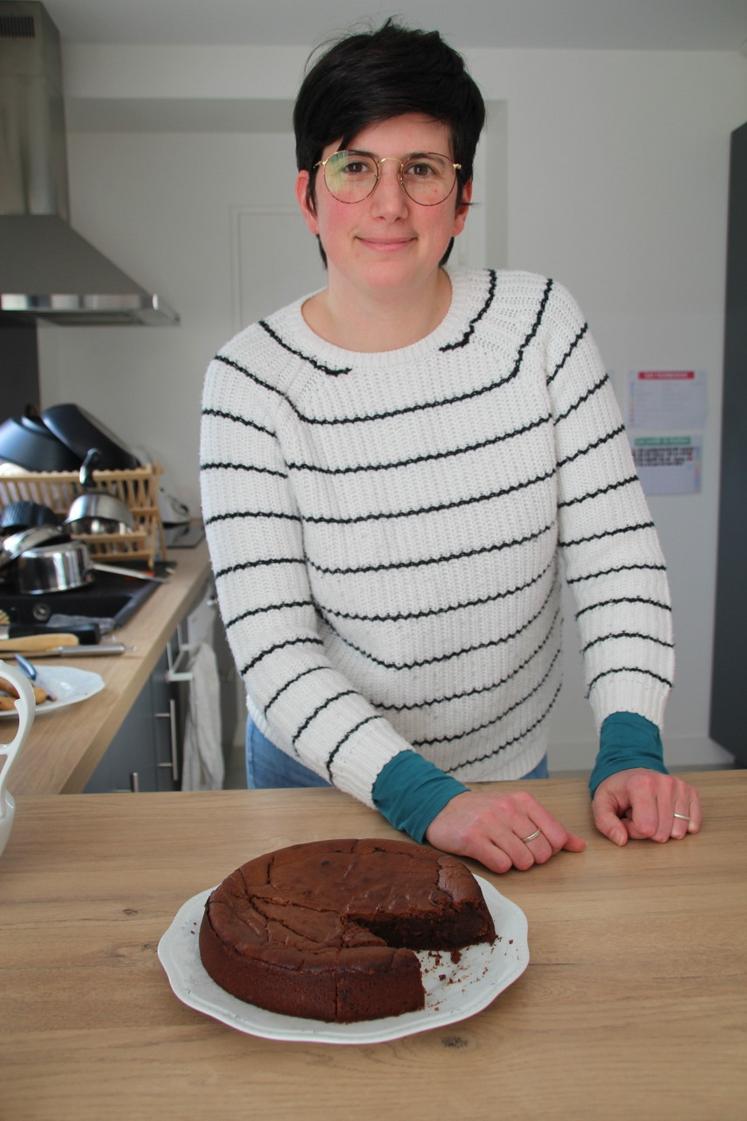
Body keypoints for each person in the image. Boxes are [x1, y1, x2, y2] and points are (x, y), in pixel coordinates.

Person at [200, 19, 701, 875]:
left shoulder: (538, 324)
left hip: (505, 776)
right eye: (355, 167)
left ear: (462, 198)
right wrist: (426, 799)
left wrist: (629, 733)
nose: (388, 203)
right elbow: (276, 651)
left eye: (421, 170)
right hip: (322, 781)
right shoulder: (248, 381)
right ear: (308, 195)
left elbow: (613, 552)